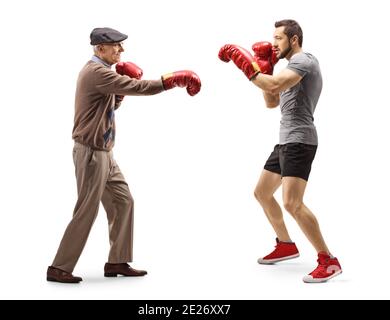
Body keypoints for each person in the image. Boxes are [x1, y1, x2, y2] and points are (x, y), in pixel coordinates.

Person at [47, 27, 201, 283]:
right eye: (116, 45)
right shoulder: (95, 72)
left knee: (123, 201)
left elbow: (111, 104)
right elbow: (138, 87)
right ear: (100, 49)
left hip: (105, 152)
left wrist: (118, 97)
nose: (121, 50)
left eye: (120, 45)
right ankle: (59, 267)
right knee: (87, 210)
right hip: (91, 153)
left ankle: (117, 261)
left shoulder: (104, 73)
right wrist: (172, 80)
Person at [218, 19, 342, 283]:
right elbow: (271, 100)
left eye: (278, 38)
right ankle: (286, 245)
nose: (273, 43)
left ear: (294, 39)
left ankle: (328, 261)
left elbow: (272, 86)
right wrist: (267, 68)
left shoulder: (304, 62)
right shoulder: (287, 68)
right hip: (285, 140)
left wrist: (247, 67)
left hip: (300, 141)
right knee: (262, 193)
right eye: (272, 38)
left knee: (292, 203)